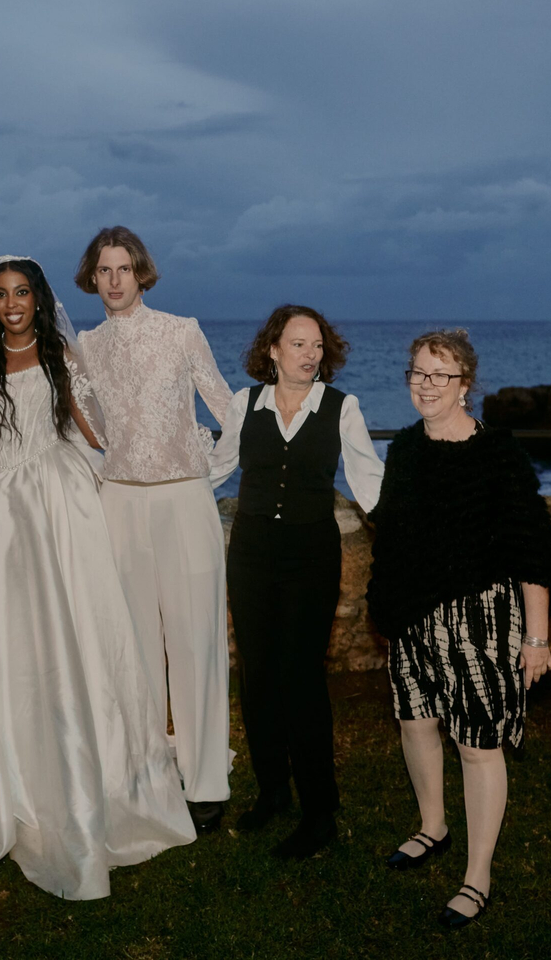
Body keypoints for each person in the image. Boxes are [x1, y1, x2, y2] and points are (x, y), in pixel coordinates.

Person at [0, 256, 194, 900]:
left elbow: (95, 430)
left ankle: (78, 778)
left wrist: (155, 442)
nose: (12, 303)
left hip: (56, 511)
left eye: (22, 292)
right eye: (1, 294)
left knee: (64, 638)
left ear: (39, 298)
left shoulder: (61, 358)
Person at [365, 329, 551, 929]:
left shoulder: (497, 454)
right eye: (418, 374)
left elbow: (532, 549)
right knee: (415, 723)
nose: (427, 386)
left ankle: (477, 874)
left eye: (441, 376)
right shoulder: (403, 450)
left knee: (478, 746)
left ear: (465, 386)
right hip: (414, 616)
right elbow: (396, 537)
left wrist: (536, 639)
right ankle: (433, 826)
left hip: (483, 618)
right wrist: (388, 604)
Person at [74, 226, 235, 834]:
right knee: (133, 646)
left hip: (183, 502)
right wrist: (99, 478)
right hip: (118, 505)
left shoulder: (181, 330)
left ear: (142, 273)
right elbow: (82, 429)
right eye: (104, 270)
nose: (114, 280)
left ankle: (206, 781)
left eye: (124, 269)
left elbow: (228, 410)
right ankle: (145, 773)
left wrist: (204, 475)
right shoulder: (85, 347)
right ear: (92, 279)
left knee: (195, 643)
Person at [208, 305, 382, 859]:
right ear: (273, 350)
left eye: (317, 346)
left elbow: (370, 483)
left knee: (301, 678)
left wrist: (419, 525)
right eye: (299, 344)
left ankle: (319, 811)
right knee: (256, 675)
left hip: (311, 553)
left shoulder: (341, 408)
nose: (311, 355)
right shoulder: (244, 404)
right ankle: (272, 791)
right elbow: (214, 469)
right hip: (252, 552)